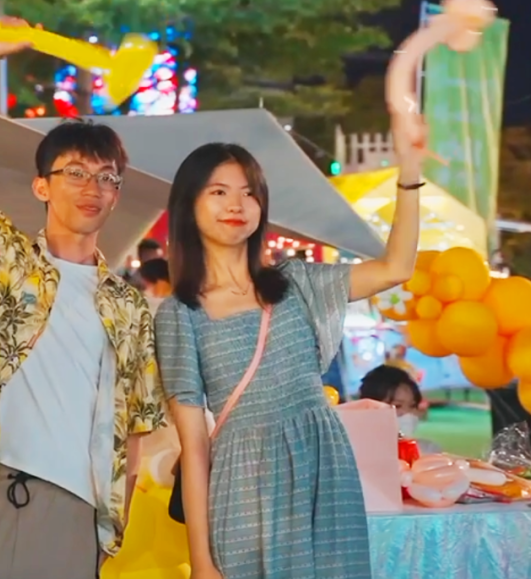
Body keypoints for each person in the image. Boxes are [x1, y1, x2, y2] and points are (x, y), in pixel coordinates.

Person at [0, 17, 165, 579]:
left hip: (73, 507)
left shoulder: (128, 307)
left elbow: (135, 426)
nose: (93, 187)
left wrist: (114, 527)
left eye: (107, 177)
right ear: (42, 186)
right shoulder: (0, 258)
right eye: (75, 172)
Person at [156, 130, 420, 578]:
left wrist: (410, 172)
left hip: (325, 469)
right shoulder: (180, 314)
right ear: (188, 206)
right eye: (218, 192)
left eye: (249, 193)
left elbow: (396, 267)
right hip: (246, 485)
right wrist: (201, 560)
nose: (237, 204)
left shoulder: (297, 283)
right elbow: (194, 444)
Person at [358, 364, 441, 454]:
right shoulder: (357, 453)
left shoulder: (428, 450)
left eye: (412, 406)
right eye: (397, 406)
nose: (407, 413)